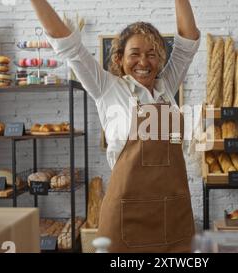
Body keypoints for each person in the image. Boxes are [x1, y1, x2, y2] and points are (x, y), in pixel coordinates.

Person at [30, 0, 200, 253]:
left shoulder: (167, 87)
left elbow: (188, 39)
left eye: (152, 54)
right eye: (135, 53)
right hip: (126, 212)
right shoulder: (107, 88)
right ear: (120, 58)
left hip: (172, 211)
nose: (144, 61)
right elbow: (67, 43)